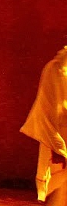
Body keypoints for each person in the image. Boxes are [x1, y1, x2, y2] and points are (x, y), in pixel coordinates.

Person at [21, 45, 67, 204]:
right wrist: (56, 145)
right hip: (56, 133)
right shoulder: (55, 70)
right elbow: (50, 107)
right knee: (56, 176)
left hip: (60, 132)